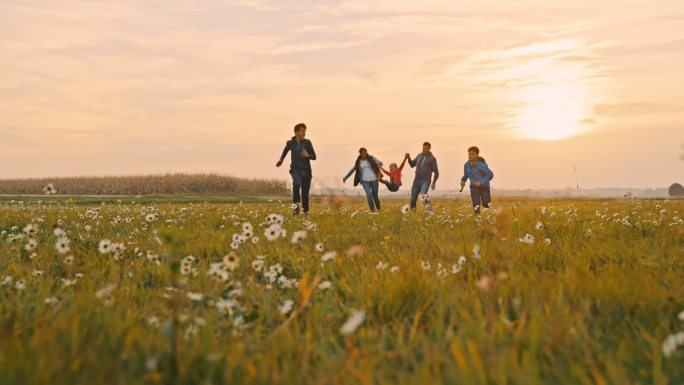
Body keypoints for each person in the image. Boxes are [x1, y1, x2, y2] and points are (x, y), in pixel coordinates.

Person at [276, 123, 316, 215]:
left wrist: (307, 155)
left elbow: (314, 156)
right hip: (295, 169)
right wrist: (281, 160)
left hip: (306, 170)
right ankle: (296, 208)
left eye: (305, 131)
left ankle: (305, 211)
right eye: (302, 131)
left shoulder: (307, 142)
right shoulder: (290, 143)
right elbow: (285, 151)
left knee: (305, 191)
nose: (304, 133)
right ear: (296, 132)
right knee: (296, 184)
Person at [342, 147, 384, 212]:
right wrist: (345, 177)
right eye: (362, 153)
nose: (364, 154)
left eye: (365, 153)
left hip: (374, 179)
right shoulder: (358, 162)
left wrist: (380, 163)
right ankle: (372, 211)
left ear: (366, 152)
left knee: (375, 196)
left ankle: (378, 209)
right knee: (369, 195)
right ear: (360, 154)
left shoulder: (371, 158)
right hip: (364, 181)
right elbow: (352, 170)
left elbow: (380, 162)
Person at [460, 146, 494, 214]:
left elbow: (490, 174)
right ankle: (477, 220)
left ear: (476, 155)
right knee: (476, 206)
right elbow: (466, 174)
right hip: (473, 187)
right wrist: (463, 180)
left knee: (486, 204)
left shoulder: (482, 165)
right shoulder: (466, 165)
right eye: (469, 154)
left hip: (484, 187)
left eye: (472, 154)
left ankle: (487, 202)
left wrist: (481, 182)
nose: (470, 156)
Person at [407, 142, 439, 213]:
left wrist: (434, 182)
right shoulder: (419, 156)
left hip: (425, 180)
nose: (424, 149)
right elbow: (412, 165)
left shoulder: (432, 159)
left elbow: (436, 172)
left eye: (426, 148)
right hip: (416, 180)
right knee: (413, 199)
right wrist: (408, 158)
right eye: (423, 148)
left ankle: (430, 212)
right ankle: (413, 214)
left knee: (423, 196)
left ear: (429, 149)